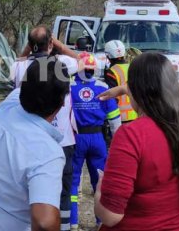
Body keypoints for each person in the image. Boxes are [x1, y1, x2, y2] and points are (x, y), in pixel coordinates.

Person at [95, 53, 179, 231]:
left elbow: (110, 215)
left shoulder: (131, 135)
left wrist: (99, 192)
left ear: (135, 90)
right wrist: (124, 89)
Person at [0, 58, 70, 231]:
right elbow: (44, 223)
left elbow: (27, 85)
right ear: (63, 102)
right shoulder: (47, 154)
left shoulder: (6, 107)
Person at [11, 25, 80, 231]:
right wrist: (58, 45)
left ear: (30, 45)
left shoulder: (20, 68)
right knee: (64, 191)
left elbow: (17, 62)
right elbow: (82, 60)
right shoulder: (64, 63)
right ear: (50, 43)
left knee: (33, 191)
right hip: (63, 140)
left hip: (29, 137)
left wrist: (30, 47)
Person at [70, 53, 120, 229]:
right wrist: (117, 143)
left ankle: (73, 223)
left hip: (76, 139)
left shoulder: (69, 87)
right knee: (99, 181)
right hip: (98, 139)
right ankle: (100, 223)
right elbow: (114, 119)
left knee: (73, 181)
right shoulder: (102, 87)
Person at [103, 40, 137, 124]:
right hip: (136, 114)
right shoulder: (134, 67)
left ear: (108, 56)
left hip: (120, 117)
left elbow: (112, 96)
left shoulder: (111, 72)